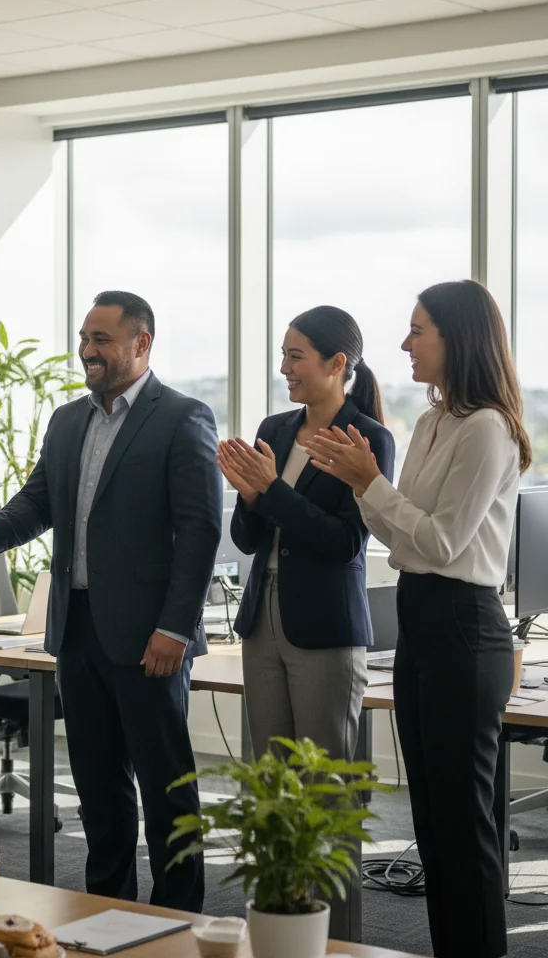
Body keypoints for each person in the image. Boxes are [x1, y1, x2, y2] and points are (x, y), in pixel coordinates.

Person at [0, 291, 222, 913]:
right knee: (100, 790)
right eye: (84, 337)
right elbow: (37, 504)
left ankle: (178, 917)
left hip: (150, 640)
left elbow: (201, 531)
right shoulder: (68, 421)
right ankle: (108, 912)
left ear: (141, 344)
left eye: (102, 339)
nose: (88, 350)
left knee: (166, 791)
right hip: (76, 633)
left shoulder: (183, 417)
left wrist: (175, 629)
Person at [306, 281, 527, 958]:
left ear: (457, 339)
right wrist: (364, 483)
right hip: (423, 621)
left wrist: (371, 484)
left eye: (417, 330)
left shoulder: (488, 428)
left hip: (465, 626)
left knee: (464, 830)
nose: (404, 344)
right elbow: (402, 540)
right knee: (432, 825)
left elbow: (437, 543)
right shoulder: (433, 423)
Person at [218, 305, 394, 940]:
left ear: (336, 364)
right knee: (274, 791)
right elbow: (248, 535)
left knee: (325, 796)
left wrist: (272, 492)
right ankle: (279, 933)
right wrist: (248, 495)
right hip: (263, 622)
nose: (284, 367)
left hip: (325, 630)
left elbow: (344, 542)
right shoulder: (276, 426)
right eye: (283, 355)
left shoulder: (367, 437)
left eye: (296, 356)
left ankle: (338, 941)